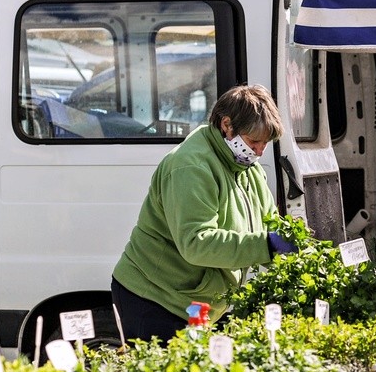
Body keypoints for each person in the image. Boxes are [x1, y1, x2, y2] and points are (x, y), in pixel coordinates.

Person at [111, 84, 297, 344]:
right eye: (254, 141)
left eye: (265, 143)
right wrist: (267, 245)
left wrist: (296, 251)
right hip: (155, 299)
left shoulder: (248, 169)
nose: (259, 151)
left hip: (197, 303)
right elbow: (196, 243)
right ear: (227, 125)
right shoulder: (191, 167)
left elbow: (270, 224)